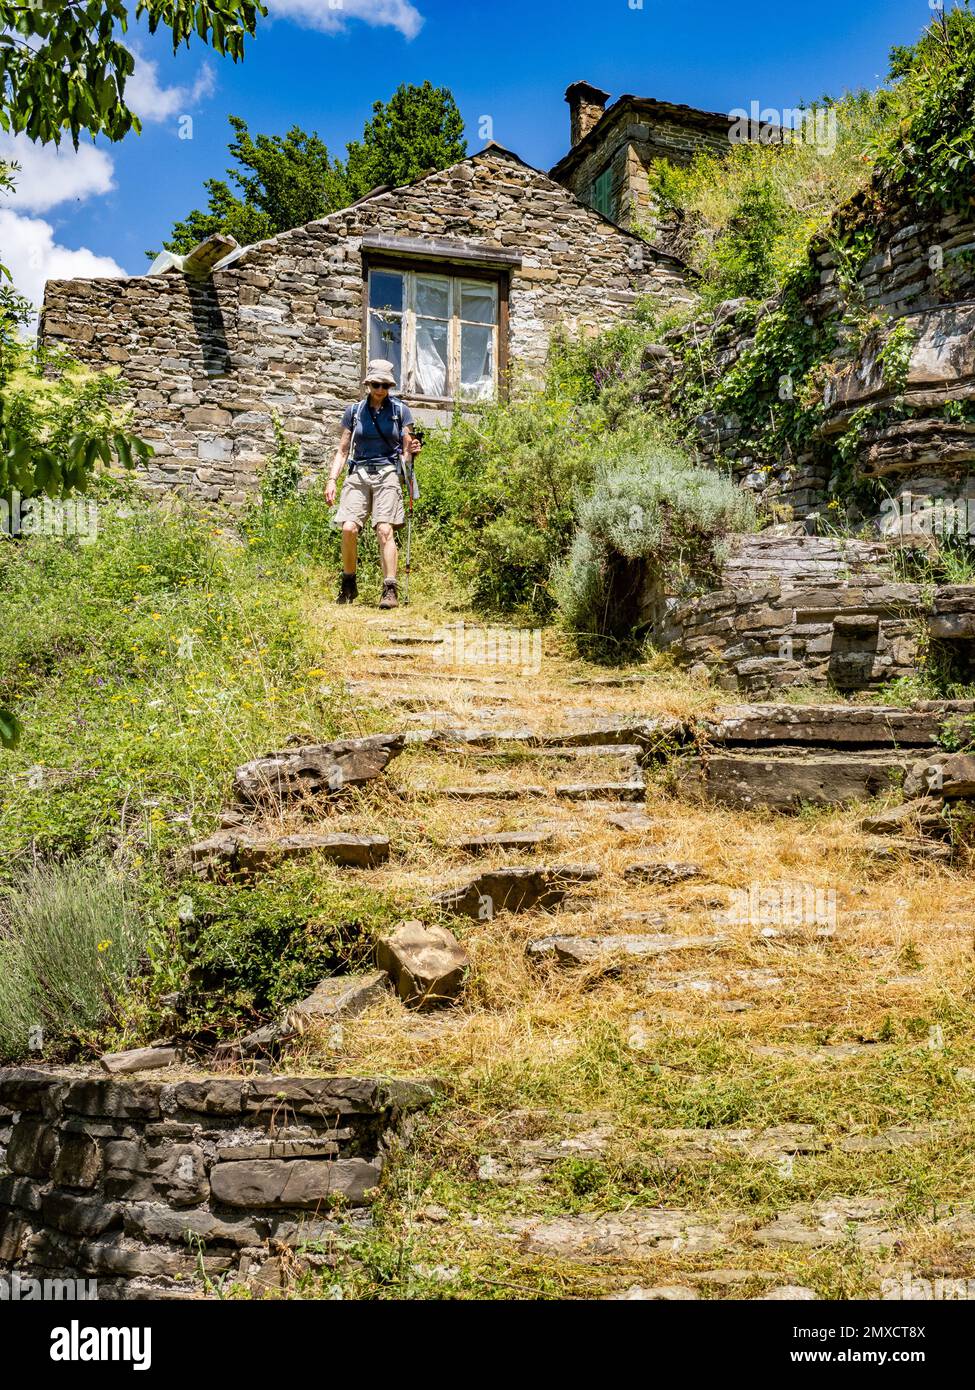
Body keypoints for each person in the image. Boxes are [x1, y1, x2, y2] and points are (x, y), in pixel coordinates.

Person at [325, 359, 422, 609]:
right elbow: (343, 450)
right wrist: (332, 479)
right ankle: (348, 583)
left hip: (388, 471)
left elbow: (407, 450)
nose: (380, 390)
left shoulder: (401, 411)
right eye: (376, 384)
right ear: (368, 384)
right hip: (358, 472)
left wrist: (413, 450)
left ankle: (390, 589)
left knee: (384, 529)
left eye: (385, 385)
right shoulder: (354, 411)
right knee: (348, 528)